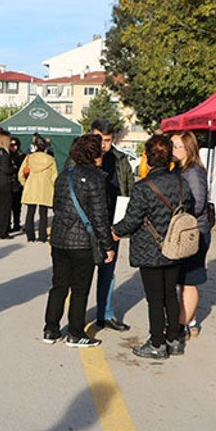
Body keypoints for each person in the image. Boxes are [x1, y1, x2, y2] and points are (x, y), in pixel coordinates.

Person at [112, 135, 195, 360]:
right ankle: (174, 339)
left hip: (150, 248)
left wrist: (115, 231)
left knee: (155, 297)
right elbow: (189, 209)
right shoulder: (182, 183)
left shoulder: (143, 187)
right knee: (170, 294)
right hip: (176, 246)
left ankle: (157, 342)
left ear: (148, 158)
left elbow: (132, 219)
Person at [44, 134, 115, 347]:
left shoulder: (64, 175)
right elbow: (100, 216)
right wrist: (107, 246)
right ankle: (75, 333)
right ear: (95, 154)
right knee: (80, 289)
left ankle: (50, 329)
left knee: (59, 286)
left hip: (59, 238)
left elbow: (56, 206)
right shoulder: (96, 179)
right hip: (83, 242)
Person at [91, 119, 134, 332]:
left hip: (112, 225)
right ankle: (75, 320)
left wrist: (122, 226)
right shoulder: (81, 157)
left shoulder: (120, 160)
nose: (102, 145)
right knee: (82, 274)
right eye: (98, 139)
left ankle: (105, 314)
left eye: (107, 140)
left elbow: (129, 190)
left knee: (108, 271)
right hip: (86, 226)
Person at [171, 131, 211, 339]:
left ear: (188, 149)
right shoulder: (180, 169)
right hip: (186, 231)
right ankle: (190, 321)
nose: (172, 149)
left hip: (194, 233)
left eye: (176, 146)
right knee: (183, 280)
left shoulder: (194, 172)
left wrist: (176, 212)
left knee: (189, 280)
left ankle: (182, 326)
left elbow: (198, 204)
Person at [18, 134, 57, 243]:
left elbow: (20, 174)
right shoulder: (50, 160)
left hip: (31, 187)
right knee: (43, 214)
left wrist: (25, 184)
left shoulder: (29, 158)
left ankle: (30, 236)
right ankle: (42, 236)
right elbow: (54, 177)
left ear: (35, 146)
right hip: (45, 188)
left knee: (30, 212)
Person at [9, 137, 25, 231]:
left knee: (17, 206)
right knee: (8, 206)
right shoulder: (7, 155)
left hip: (18, 183)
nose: (14, 147)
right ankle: (7, 224)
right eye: (11, 145)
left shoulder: (21, 156)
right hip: (9, 183)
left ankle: (16, 224)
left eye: (15, 145)